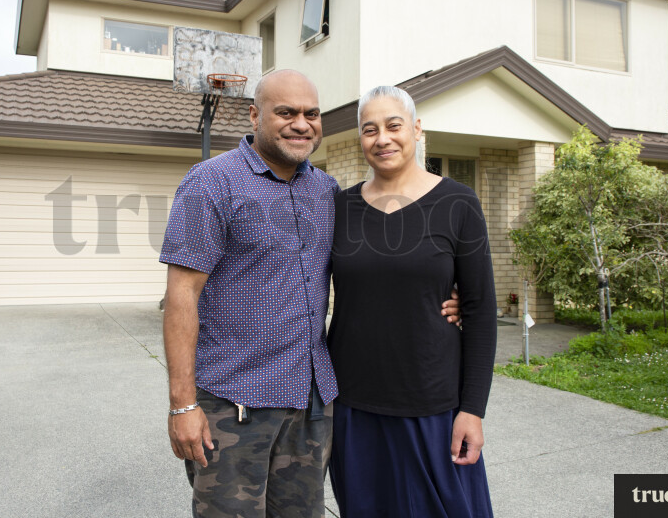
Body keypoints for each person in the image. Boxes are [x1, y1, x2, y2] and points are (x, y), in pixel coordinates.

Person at [160, 70, 462, 517]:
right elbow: (180, 294)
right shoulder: (212, 183)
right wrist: (182, 404)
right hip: (235, 401)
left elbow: (373, 267)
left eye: (311, 114)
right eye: (286, 112)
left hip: (311, 404)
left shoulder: (324, 191)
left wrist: (446, 293)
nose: (301, 123)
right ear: (254, 114)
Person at [327, 85, 497, 518]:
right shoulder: (339, 207)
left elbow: (479, 311)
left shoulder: (458, 202)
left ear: (417, 130)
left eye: (393, 125)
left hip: (433, 405)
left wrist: (472, 410)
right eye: (370, 130)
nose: (382, 138)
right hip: (354, 406)